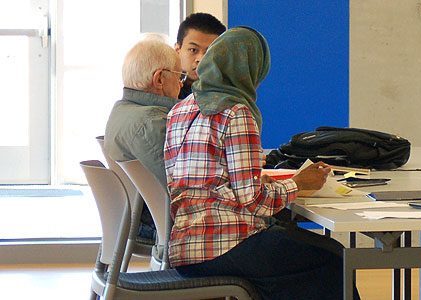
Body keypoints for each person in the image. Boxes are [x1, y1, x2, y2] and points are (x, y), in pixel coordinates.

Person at [164, 27, 358, 300]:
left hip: (183, 248)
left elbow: (190, 179)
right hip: (225, 245)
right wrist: (297, 184)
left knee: (307, 257)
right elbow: (252, 201)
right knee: (334, 258)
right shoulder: (236, 112)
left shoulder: (180, 110)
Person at [104, 36, 186, 240]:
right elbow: (182, 192)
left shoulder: (121, 111)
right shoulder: (152, 123)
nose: (181, 85)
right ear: (159, 79)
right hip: (159, 226)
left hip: (135, 218)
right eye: (179, 77)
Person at [174, 12, 226, 99]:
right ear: (177, 50)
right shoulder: (161, 88)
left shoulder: (226, 95)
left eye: (209, 52)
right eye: (193, 50)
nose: (201, 59)